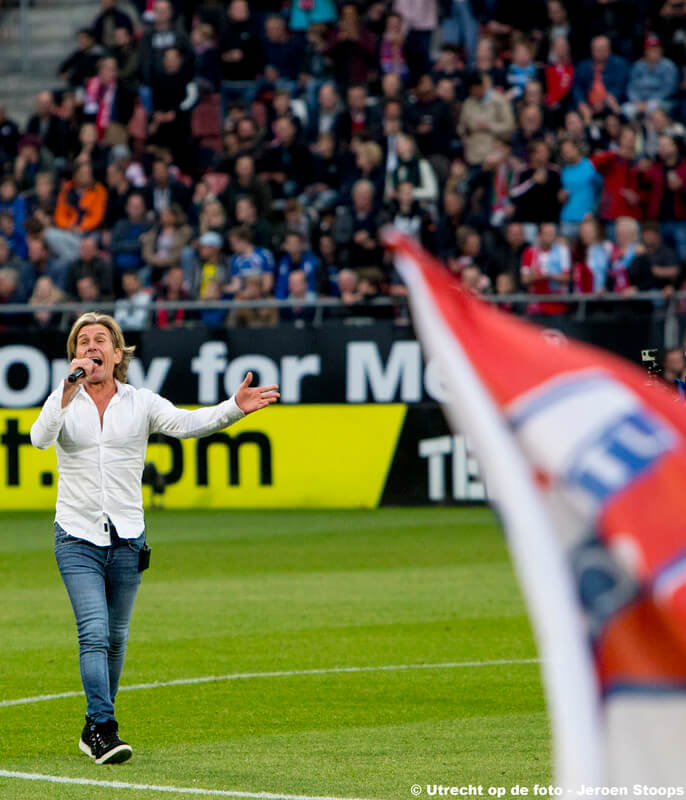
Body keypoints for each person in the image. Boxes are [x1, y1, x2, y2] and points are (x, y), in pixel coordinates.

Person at [30, 312, 279, 764]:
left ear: (117, 351)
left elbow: (187, 424)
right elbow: (39, 439)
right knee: (94, 632)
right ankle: (104, 726)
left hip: (127, 538)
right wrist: (65, 389)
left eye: (99, 339)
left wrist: (233, 407)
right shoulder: (63, 401)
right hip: (76, 535)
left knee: (117, 638)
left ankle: (92, 728)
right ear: (74, 355)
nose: (90, 347)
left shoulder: (139, 402)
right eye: (82, 341)